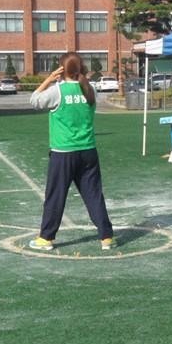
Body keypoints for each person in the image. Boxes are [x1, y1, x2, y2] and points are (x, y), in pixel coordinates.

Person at [28, 51, 114, 252]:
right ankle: (107, 237)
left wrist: (49, 79)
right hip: (88, 151)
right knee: (94, 195)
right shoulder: (90, 88)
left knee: (55, 196)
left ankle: (46, 238)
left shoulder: (57, 91)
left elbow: (34, 100)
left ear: (62, 70)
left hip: (63, 153)